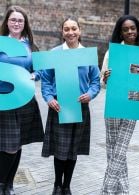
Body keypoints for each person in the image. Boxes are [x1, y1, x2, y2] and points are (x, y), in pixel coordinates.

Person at [40, 17, 100, 195]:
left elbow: (95, 81)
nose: (70, 32)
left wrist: (90, 94)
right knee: (60, 149)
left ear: (80, 31)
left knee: (73, 149)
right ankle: (57, 185)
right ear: (62, 32)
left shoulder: (87, 54)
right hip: (59, 106)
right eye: (66, 29)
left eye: (74, 28)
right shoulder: (55, 53)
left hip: (80, 106)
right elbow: (46, 80)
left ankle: (67, 186)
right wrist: (49, 97)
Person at [0, 5, 44, 195]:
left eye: (20, 20)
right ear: (6, 22)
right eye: (13, 20)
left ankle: (8, 184)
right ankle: (2, 184)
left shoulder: (31, 46)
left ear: (25, 24)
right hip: (4, 100)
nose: (16, 23)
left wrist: (35, 75)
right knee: (8, 146)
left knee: (16, 145)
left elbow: (42, 70)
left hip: (24, 100)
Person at [100, 15, 139, 195]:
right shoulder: (113, 52)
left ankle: (107, 190)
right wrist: (107, 77)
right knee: (113, 147)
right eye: (125, 29)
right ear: (120, 32)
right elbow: (102, 82)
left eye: (132, 28)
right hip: (114, 99)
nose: (129, 32)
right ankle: (122, 191)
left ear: (137, 30)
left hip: (133, 102)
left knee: (121, 147)